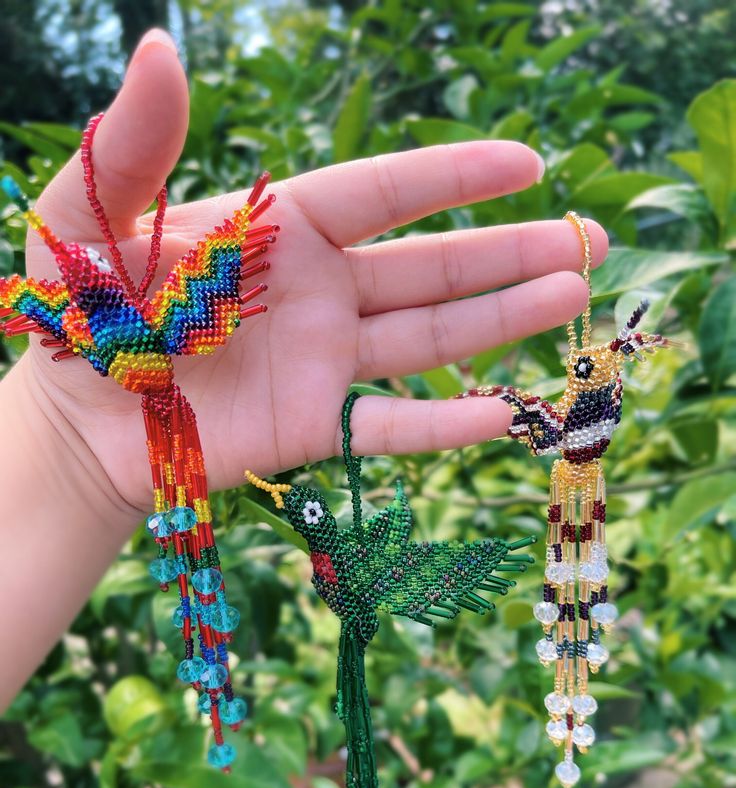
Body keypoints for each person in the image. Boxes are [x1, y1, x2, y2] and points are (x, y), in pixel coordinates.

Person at [0, 28, 607, 710]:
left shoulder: (128, 322)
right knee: (188, 538)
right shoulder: (117, 327)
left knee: (189, 539)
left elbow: (47, 311)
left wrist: (61, 435)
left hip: (158, 387)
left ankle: (216, 679)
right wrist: (60, 430)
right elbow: (44, 314)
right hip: (154, 391)